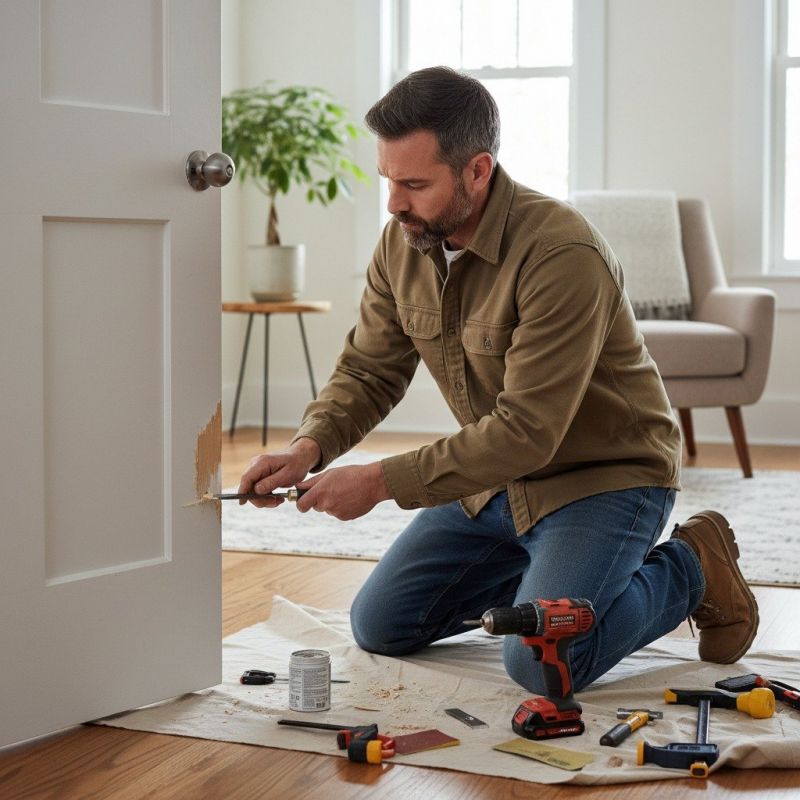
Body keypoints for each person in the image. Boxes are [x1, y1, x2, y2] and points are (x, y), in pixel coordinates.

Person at [237, 66, 758, 694]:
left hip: (604, 479)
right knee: (380, 625)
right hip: (496, 485)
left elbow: (527, 431)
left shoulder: (562, 254)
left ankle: (690, 565)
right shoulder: (402, 242)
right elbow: (369, 368)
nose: (394, 202)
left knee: (540, 664)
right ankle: (556, 575)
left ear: (478, 170)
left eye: (414, 183)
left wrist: (377, 482)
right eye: (388, 180)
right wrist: (308, 448)